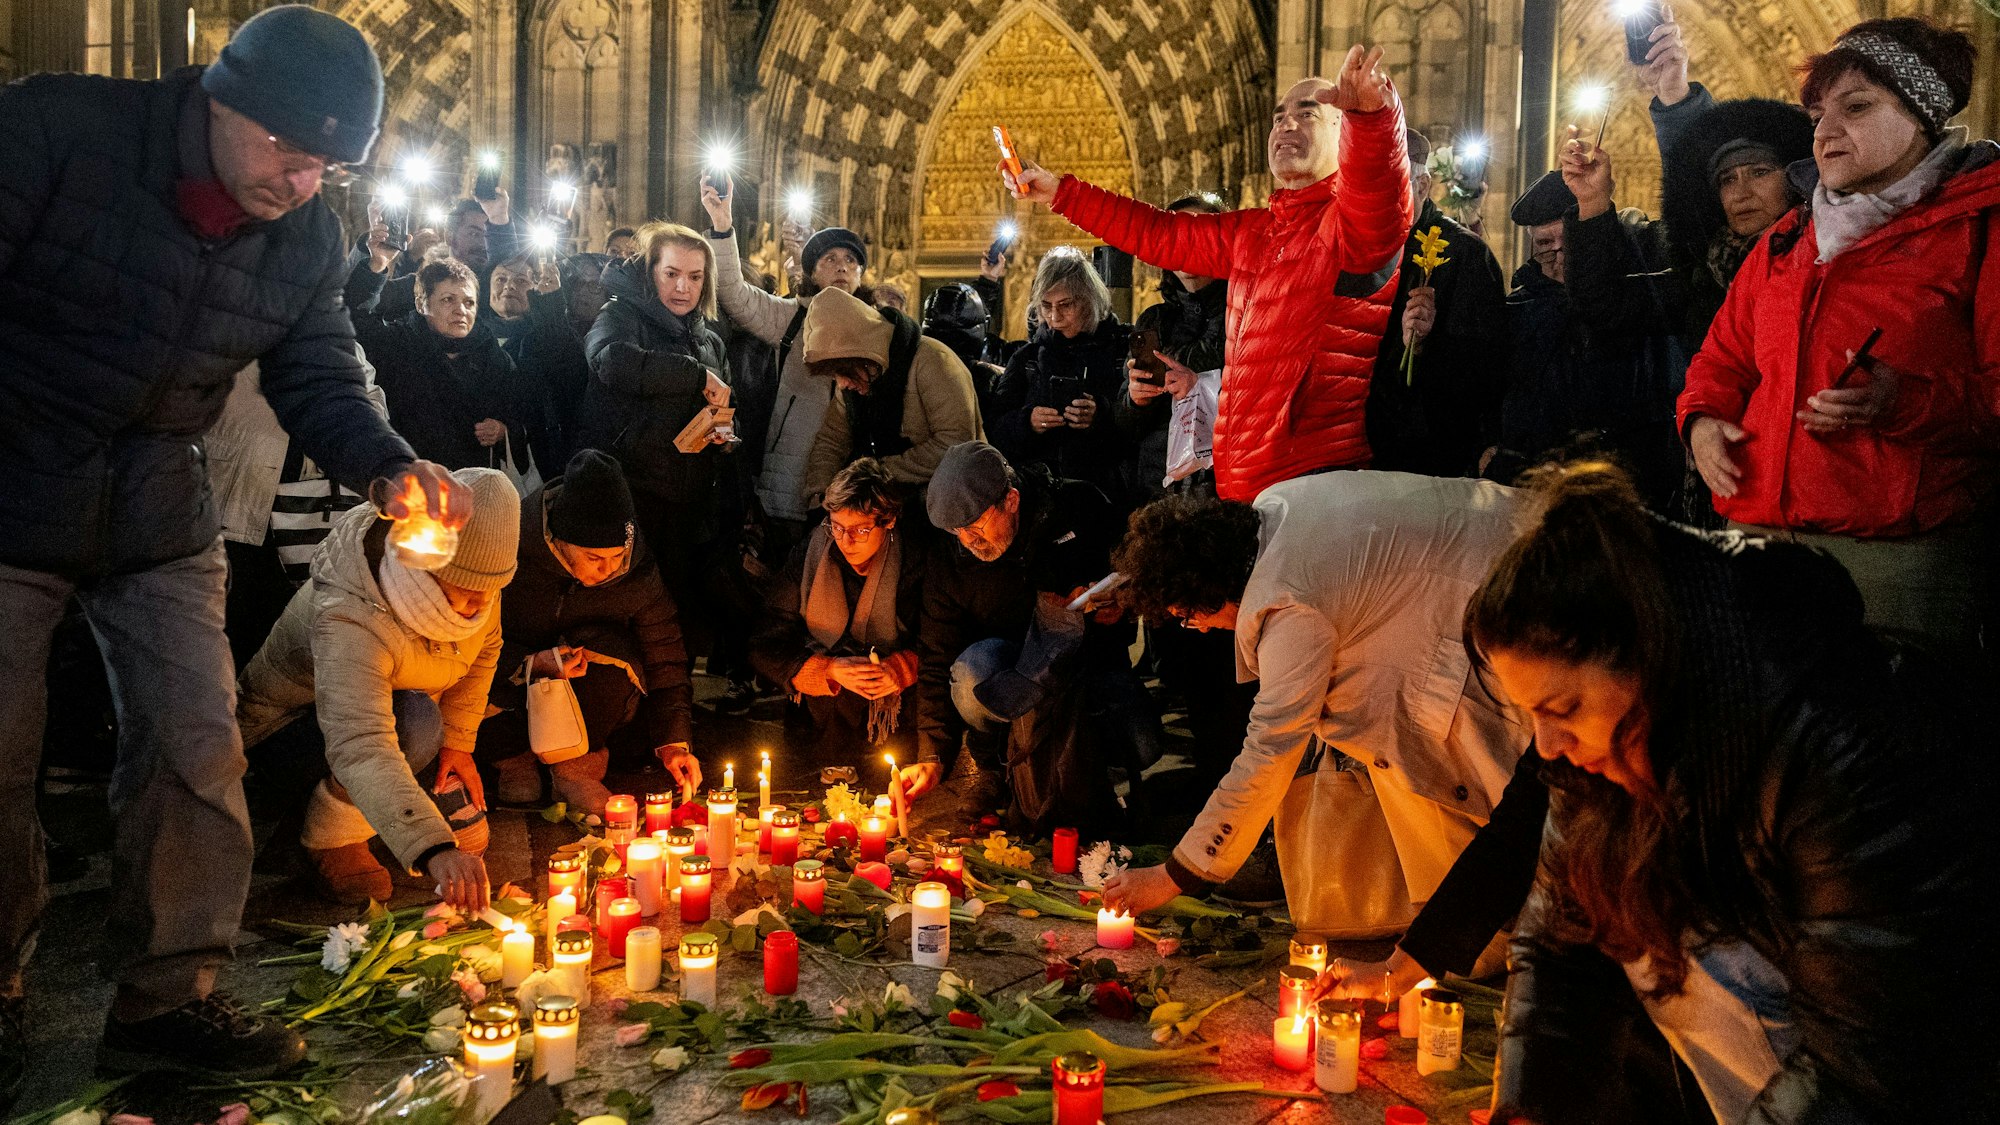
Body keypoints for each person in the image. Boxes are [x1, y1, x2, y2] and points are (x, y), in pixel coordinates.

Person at [0, 4, 466, 1087]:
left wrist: (388, 465)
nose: (301, 182)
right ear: (221, 97)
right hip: (13, 482)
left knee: (197, 750)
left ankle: (167, 998)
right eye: (288, 152)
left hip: (160, 503)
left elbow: (317, 368)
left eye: (329, 169)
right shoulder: (58, 132)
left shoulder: (304, 236)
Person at [1470, 462, 1997, 1124]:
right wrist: (1527, 1109)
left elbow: (1869, 1061)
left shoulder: (1837, 743)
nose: (1546, 744)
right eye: (1530, 716)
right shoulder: (1601, 759)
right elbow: (1557, 950)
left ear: (1647, 660)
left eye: (1565, 707)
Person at [1678, 18, 2000, 654]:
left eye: (1856, 107)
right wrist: (1702, 420)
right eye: (1820, 113)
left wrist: (1903, 403)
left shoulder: (1979, 232)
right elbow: (1722, 359)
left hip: (1892, 564)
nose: (1825, 132)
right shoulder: (1786, 239)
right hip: (1757, 539)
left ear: (1921, 117)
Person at [1098, 476, 1531, 939]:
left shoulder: (1289, 606)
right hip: (1510, 538)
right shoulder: (1275, 504)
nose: (1199, 630)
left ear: (1207, 590)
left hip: (1515, 597)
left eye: (1187, 616)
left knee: (1496, 783)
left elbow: (1269, 750)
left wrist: (1174, 876)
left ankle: (1511, 930)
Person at [1002, 45, 1412, 501]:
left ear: (1343, 133)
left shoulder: (1351, 228)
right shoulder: (1254, 232)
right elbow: (1160, 233)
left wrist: (1374, 120)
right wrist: (1060, 193)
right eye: (1278, 117)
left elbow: (1380, 194)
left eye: (1308, 113)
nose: (1286, 124)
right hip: (1244, 483)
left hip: (1313, 479)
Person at [238, 468, 516, 910]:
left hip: (394, 719)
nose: (479, 606)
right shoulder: (352, 609)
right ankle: (329, 836)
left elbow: (486, 649)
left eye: (490, 591)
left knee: (469, 833)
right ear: (428, 563)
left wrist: (459, 744)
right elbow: (360, 741)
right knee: (418, 730)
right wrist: (433, 849)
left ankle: (375, 809)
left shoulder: (479, 585)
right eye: (466, 591)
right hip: (288, 734)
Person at [914, 442, 1157, 828]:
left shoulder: (1079, 505)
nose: (968, 541)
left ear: (1011, 500)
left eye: (976, 527)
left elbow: (1136, 574)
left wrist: (1121, 607)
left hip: (1086, 665)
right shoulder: (950, 558)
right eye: (957, 532)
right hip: (1005, 669)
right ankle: (997, 770)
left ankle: (1075, 771)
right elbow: (936, 653)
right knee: (970, 673)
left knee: (1143, 745)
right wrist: (932, 754)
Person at [480, 451, 699, 815]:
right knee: (478, 676)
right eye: (595, 559)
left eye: (617, 557)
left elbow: (666, 655)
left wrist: (674, 742)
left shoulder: (636, 573)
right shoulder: (507, 552)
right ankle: (513, 761)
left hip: (582, 708)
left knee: (615, 654)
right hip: (509, 690)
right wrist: (531, 665)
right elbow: (463, 640)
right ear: (560, 541)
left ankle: (575, 771)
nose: (609, 571)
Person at [1490, 170, 1688, 512]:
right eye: (1544, 246)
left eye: (1568, 241)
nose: (1559, 255)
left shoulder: (1634, 294)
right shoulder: (1519, 308)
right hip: (1535, 481)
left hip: (1628, 481)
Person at [576, 223, 734, 646]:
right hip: (632, 492)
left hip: (687, 502)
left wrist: (723, 432)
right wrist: (696, 375)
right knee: (626, 610)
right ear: (651, 272)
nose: (684, 287)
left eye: (695, 277)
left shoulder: (711, 342)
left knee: (673, 616)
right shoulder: (618, 315)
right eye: (672, 274)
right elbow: (613, 362)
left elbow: (726, 411)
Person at [701, 175, 869, 542]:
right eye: (830, 258)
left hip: (852, 487)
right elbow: (733, 293)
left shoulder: (880, 329)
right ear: (811, 271)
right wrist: (722, 225)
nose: (842, 266)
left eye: (851, 260)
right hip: (787, 484)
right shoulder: (791, 317)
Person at [749, 459, 928, 766]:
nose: (845, 541)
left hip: (895, 711)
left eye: (860, 529)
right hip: (823, 713)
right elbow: (765, 640)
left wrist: (900, 668)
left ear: (889, 521)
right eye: (837, 526)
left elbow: (944, 639)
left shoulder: (915, 557)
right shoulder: (813, 552)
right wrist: (826, 670)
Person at [209, 358, 384, 670]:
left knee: (287, 622)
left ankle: (268, 709)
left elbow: (373, 413)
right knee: (235, 620)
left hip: (308, 510)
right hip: (241, 500)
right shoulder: (232, 327)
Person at [1366, 129, 1510, 478]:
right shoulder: (1364, 249)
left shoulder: (1464, 254)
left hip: (1431, 459)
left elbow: (1481, 374)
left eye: (1391, 186)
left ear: (1422, 185)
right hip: (1365, 454)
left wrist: (1420, 348)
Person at [349, 254, 554, 483]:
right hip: (409, 488)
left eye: (469, 302)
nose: (461, 311)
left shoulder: (494, 357)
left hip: (472, 490)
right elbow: (354, 322)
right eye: (448, 300)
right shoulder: (397, 344)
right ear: (421, 304)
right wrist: (376, 266)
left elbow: (520, 414)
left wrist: (502, 430)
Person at [799, 287, 983, 504]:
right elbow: (832, 440)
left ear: (866, 353)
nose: (841, 383)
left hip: (948, 503)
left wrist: (875, 473)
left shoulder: (934, 361)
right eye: (833, 375)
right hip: (881, 501)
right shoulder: (858, 378)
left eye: (844, 371)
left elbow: (955, 444)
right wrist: (824, 492)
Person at [988, 248, 1133, 505]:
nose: (1054, 317)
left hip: (1109, 499)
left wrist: (1101, 415)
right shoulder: (1027, 360)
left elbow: (1145, 431)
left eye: (1066, 305)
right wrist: (1027, 422)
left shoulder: (1123, 351)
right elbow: (994, 432)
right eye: (1046, 306)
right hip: (1041, 500)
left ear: (1088, 299)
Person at [489, 250, 590, 460]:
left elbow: (569, 372)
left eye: (521, 280)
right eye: (500, 279)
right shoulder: (471, 336)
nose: (509, 286)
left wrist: (550, 306)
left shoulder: (547, 336)